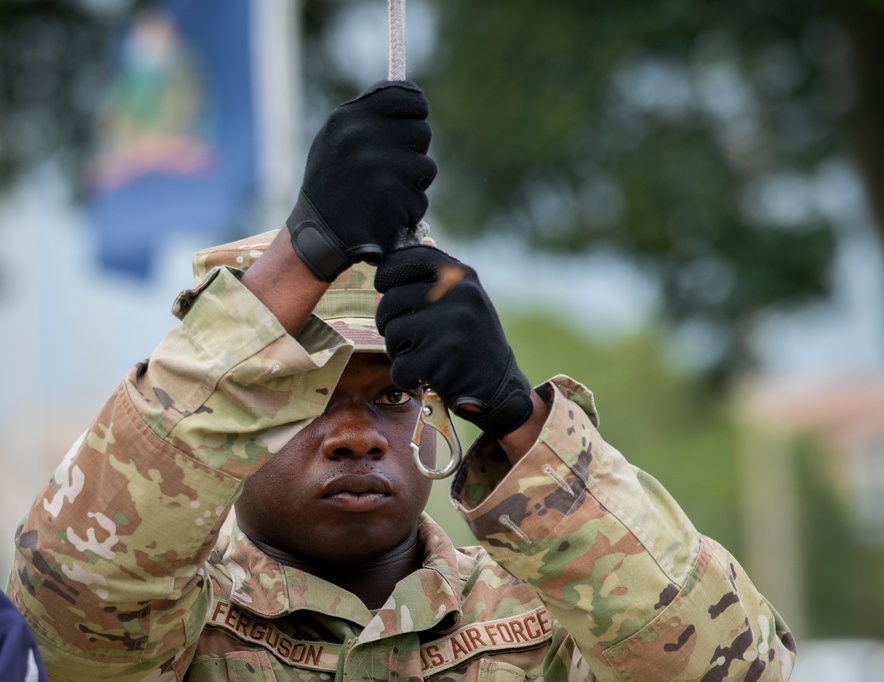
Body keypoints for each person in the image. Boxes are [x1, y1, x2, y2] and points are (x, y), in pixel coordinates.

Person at [5, 81, 795, 680]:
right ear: (227, 422)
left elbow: (739, 667)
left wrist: (519, 421)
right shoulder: (169, 630)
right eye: (302, 395)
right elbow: (72, 588)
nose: (353, 436)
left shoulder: (552, 627)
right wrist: (301, 255)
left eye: (390, 396)